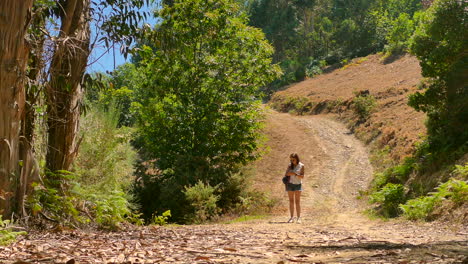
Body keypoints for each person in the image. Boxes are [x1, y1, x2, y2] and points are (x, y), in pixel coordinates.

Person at [284, 153, 304, 223]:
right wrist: (289, 173)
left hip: (298, 184)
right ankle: (291, 217)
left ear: (296, 159)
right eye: (291, 159)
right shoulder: (289, 165)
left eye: (293, 159)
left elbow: (302, 176)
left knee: (297, 201)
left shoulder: (301, 165)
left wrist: (295, 174)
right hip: (290, 184)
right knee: (291, 201)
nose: (292, 161)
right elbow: (286, 174)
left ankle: (299, 218)